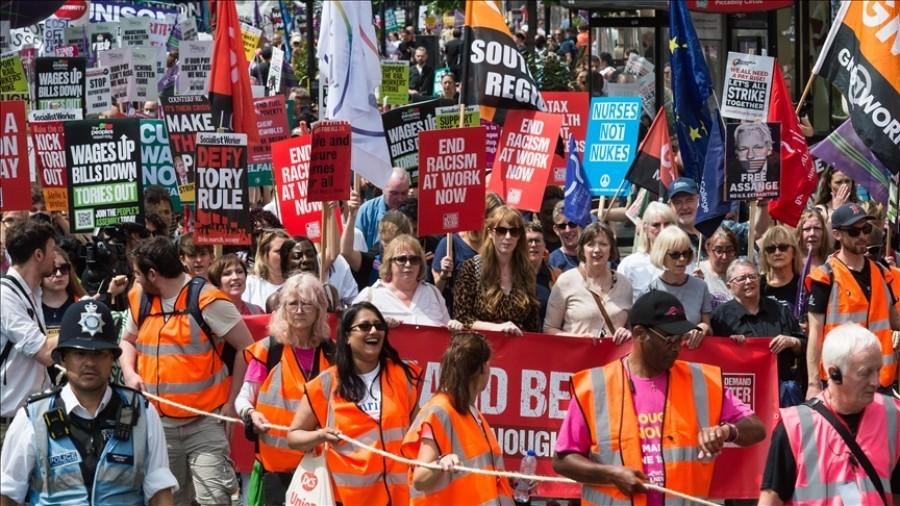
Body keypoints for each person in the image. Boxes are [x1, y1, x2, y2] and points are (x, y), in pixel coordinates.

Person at [553, 290, 766, 505]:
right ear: (639, 334)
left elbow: (757, 428)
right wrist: (610, 475)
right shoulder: (594, 387)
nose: (677, 347)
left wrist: (727, 431)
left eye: (681, 338)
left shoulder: (702, 381)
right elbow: (563, 461)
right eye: (669, 339)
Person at [0, 300, 178, 505]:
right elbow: (8, 494)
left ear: (112, 358)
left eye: (99, 354)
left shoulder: (142, 412)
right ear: (63, 358)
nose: (90, 363)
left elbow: (160, 491)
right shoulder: (33, 417)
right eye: (80, 353)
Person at [119, 237, 253, 506]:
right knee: (171, 500)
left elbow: (247, 349)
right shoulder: (139, 298)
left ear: (153, 275)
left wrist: (231, 403)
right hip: (159, 426)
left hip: (205, 424)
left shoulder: (208, 300)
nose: (135, 280)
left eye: (137, 274)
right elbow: (126, 341)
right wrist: (130, 374)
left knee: (214, 499)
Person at [287, 302, 420, 505]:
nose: (374, 331)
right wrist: (320, 435)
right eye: (365, 326)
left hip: (399, 496)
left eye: (379, 325)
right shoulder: (326, 383)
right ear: (347, 337)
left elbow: (417, 430)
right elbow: (294, 437)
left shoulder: (402, 376)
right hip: (347, 498)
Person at [759, 324, 900, 505]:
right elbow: (770, 500)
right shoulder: (795, 427)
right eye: (865, 373)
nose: (875, 381)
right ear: (834, 374)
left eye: (877, 370)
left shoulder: (893, 416)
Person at [236, 274, 333, 505]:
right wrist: (250, 414)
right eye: (292, 303)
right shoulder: (268, 350)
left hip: (320, 466)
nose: (299, 310)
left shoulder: (333, 354)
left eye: (307, 303)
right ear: (282, 309)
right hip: (276, 470)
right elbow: (243, 398)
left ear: (319, 309)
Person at [401, 332, 515, 504]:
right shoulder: (441, 411)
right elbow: (420, 478)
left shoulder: (469, 411)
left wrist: (510, 481)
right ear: (482, 369)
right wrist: (441, 463)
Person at [805, 203, 900, 399]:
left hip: (880, 382)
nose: (863, 236)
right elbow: (814, 336)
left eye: (866, 229)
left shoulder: (882, 273)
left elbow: (895, 320)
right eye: (854, 232)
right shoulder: (824, 277)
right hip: (842, 383)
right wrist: (813, 384)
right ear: (837, 234)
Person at [712, 259, 807, 406]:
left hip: (779, 394)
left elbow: (804, 346)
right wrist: (730, 348)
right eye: (742, 278)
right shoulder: (720, 317)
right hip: (740, 396)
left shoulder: (780, 310)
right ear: (729, 285)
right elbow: (712, 357)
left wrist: (791, 342)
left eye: (753, 276)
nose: (749, 281)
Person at [0, 218, 58, 445]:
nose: (56, 256)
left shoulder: (33, 293)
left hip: (34, 416)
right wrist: (82, 321)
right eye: (52, 250)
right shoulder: (5, 297)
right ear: (38, 255)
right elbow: (44, 353)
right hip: (9, 426)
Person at [453, 206, 541, 335]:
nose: (508, 237)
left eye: (514, 232)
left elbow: (533, 324)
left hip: (515, 347)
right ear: (490, 233)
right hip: (481, 347)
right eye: (501, 231)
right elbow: (462, 317)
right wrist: (496, 328)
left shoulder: (526, 271)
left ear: (520, 236)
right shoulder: (471, 267)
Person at [545, 222, 633, 342]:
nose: (597, 250)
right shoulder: (565, 282)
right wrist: (578, 339)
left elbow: (630, 327)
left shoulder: (624, 284)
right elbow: (549, 329)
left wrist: (627, 332)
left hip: (613, 358)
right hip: (577, 356)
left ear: (611, 249)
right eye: (590, 244)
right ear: (582, 249)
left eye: (603, 244)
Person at [353, 234, 451, 326]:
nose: (408, 264)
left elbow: (448, 332)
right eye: (401, 259)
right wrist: (379, 325)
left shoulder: (433, 293)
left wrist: (454, 326)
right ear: (389, 263)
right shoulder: (370, 296)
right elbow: (351, 329)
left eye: (414, 259)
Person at [646, 226, 712, 348]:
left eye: (685, 253)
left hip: (694, 359)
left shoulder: (701, 286)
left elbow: (708, 327)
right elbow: (645, 333)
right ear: (662, 255)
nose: (682, 259)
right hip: (663, 359)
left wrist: (703, 328)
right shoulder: (651, 290)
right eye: (675, 255)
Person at [617, 202, 677, 300]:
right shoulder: (629, 264)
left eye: (667, 224)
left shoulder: (684, 260)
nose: (662, 230)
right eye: (656, 225)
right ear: (645, 228)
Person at [355, 167, 411, 250]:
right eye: (394, 193)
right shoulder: (366, 211)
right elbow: (357, 248)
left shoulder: (414, 210)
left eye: (404, 193)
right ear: (383, 188)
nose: (400, 198)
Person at [244, 228, 291, 310]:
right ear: (264, 255)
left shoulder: (299, 284)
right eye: (279, 251)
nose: (285, 255)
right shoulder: (250, 283)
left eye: (288, 250)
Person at [40, 247, 86, 329]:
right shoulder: (30, 306)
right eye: (53, 269)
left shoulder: (82, 304)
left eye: (64, 268)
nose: (59, 274)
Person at [760, 226, 804, 309]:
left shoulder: (803, 286)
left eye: (783, 247)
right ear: (765, 254)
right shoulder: (757, 286)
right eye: (771, 249)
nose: (777, 253)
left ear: (794, 252)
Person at [525, 222, 560, 322]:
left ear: (545, 245)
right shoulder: (511, 275)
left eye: (537, 241)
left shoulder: (557, 276)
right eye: (529, 241)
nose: (533, 245)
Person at [698, 227, 738, 309]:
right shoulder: (696, 271)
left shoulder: (740, 273)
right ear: (708, 249)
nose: (724, 257)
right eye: (719, 251)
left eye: (729, 250)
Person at [666, 177, 702, 259]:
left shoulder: (719, 229)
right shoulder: (668, 240)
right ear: (669, 206)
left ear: (699, 200)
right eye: (678, 202)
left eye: (689, 200)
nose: (684, 207)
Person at [548, 201, 582, 272]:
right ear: (556, 230)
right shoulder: (551, 261)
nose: (568, 230)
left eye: (572, 224)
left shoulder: (593, 255)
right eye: (562, 226)